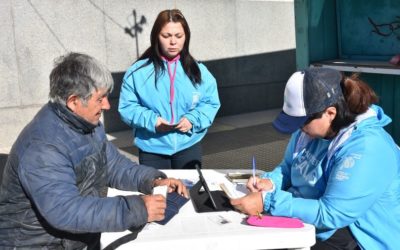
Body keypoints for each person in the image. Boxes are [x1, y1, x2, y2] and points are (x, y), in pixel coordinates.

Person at [0, 52, 188, 249]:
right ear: (74, 101)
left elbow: (114, 165)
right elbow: (65, 211)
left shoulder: (88, 123)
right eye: (100, 98)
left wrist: (152, 181)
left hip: (76, 238)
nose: (107, 105)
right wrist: (137, 209)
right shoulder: (43, 147)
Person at [231, 67, 400, 250]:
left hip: (359, 236)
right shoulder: (311, 129)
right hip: (316, 219)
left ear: (330, 113)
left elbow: (332, 213)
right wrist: (271, 182)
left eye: (302, 121)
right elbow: (288, 167)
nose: (299, 128)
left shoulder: (367, 148)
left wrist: (268, 201)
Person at [118, 9, 220, 169]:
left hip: (188, 146)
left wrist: (192, 119)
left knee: (188, 193)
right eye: (166, 36)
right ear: (156, 37)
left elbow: (210, 103)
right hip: (151, 149)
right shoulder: (137, 72)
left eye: (178, 36)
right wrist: (153, 121)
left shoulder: (199, 71)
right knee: (159, 194)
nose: (173, 42)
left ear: (186, 37)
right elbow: (127, 107)